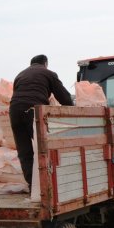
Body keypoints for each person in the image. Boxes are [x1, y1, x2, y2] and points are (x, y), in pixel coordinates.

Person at [9, 54, 74, 188]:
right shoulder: (48, 73)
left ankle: (33, 187)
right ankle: (47, 186)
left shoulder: (20, 75)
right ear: (45, 63)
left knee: (24, 151)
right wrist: (75, 113)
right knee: (43, 148)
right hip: (33, 110)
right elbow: (64, 98)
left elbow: (18, 94)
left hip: (14, 111)